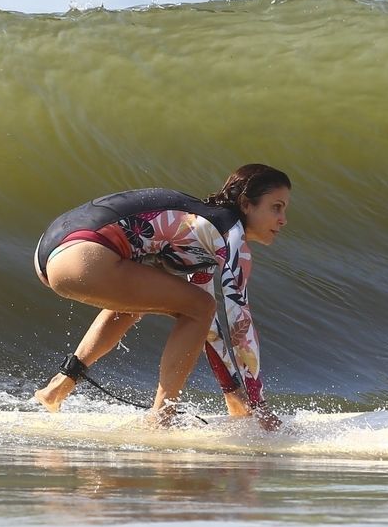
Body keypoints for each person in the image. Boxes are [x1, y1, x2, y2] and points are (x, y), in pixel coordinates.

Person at [31, 164, 291, 428]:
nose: (283, 219)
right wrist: (258, 408)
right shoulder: (230, 236)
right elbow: (240, 328)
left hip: (53, 253)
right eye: (276, 207)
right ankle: (162, 416)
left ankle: (61, 383)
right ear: (246, 204)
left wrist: (232, 392)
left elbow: (206, 327)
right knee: (200, 307)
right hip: (85, 256)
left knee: (140, 304)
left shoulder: (200, 228)